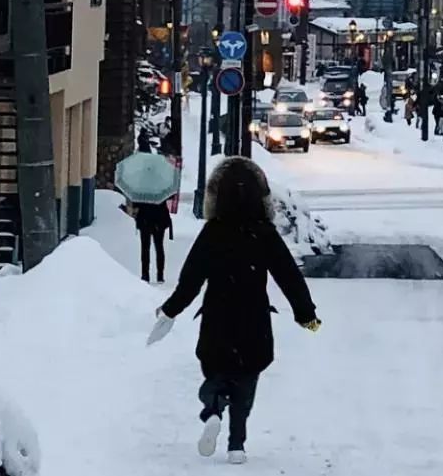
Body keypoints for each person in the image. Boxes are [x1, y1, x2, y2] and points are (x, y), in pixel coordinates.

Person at [147, 157, 321, 465]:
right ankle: (236, 444)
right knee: (246, 379)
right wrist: (306, 315)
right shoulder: (264, 233)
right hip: (253, 318)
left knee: (215, 374)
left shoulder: (213, 232)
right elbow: (288, 276)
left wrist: (170, 310)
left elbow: (191, 279)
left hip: (218, 317)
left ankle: (213, 407)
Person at [135, 199, 172, 283]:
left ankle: (145, 275)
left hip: (145, 217)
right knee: (159, 247)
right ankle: (160, 276)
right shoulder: (161, 188)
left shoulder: (143, 189)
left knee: (145, 248)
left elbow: (137, 203)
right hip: (159, 218)